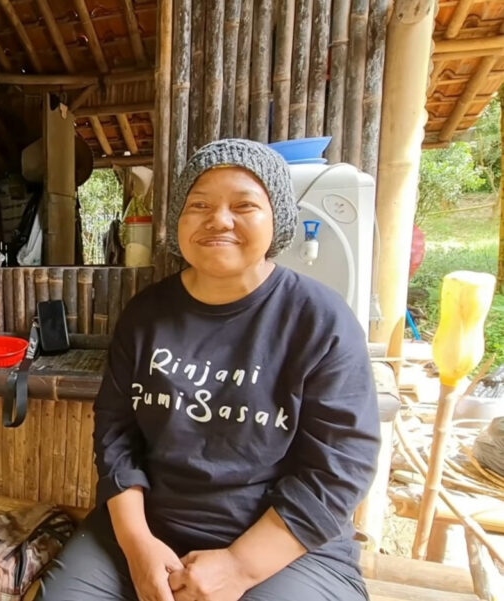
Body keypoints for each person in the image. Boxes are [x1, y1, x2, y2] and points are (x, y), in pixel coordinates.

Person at [39, 139, 380, 601]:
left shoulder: (319, 320)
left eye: (244, 205)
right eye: (199, 204)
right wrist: (138, 545)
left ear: (277, 219)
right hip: (151, 528)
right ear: (179, 220)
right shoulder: (146, 315)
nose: (219, 219)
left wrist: (239, 567)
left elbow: (340, 467)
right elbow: (115, 438)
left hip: (284, 544)